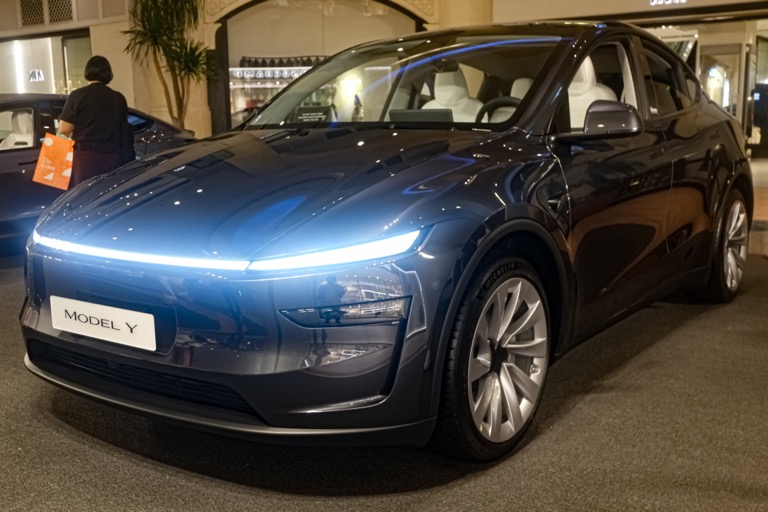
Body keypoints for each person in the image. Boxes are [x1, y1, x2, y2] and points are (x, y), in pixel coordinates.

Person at [58, 55, 135, 188]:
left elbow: (64, 129)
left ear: (87, 72)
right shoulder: (118, 98)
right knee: (108, 194)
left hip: (85, 158)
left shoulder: (77, 96)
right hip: (113, 157)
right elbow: (123, 127)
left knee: (84, 196)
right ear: (108, 73)